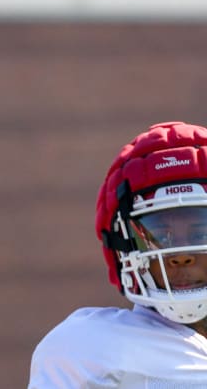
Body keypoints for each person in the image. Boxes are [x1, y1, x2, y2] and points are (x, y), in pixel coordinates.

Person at [28, 121, 207, 388]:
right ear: (123, 247)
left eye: (200, 233)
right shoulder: (92, 350)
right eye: (158, 236)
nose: (180, 256)